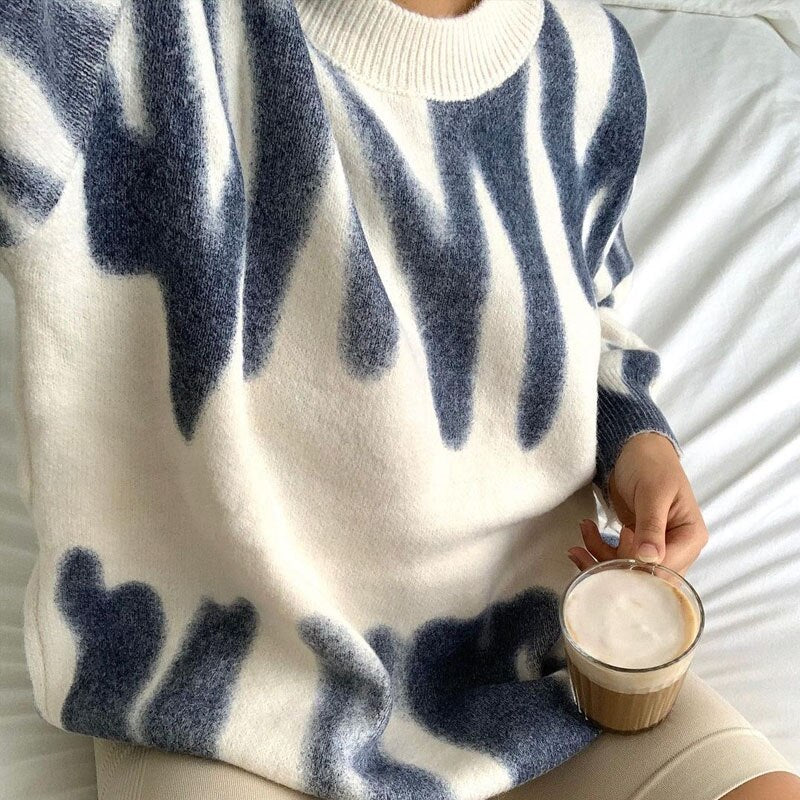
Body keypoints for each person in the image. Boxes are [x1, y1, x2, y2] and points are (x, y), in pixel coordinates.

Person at [1, 0, 799, 798]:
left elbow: (588, 302)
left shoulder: (587, 61)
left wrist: (635, 440)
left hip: (534, 658)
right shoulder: (116, 27)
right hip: (212, 683)